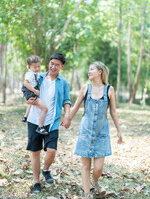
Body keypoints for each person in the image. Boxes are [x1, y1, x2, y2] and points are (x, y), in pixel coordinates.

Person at [70, 61, 123, 199]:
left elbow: (113, 112)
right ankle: (87, 194)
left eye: (92, 69)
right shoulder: (85, 88)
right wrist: (67, 119)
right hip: (86, 131)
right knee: (86, 166)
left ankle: (95, 181)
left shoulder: (109, 89)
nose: (89, 72)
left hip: (102, 133)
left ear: (100, 71)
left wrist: (119, 131)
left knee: (98, 168)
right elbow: (75, 107)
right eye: (89, 69)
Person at [26, 52, 71, 194]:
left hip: (52, 121)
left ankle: (45, 169)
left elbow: (66, 100)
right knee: (35, 152)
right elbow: (26, 90)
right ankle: (36, 182)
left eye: (57, 65)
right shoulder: (38, 76)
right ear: (49, 63)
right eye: (52, 63)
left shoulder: (63, 82)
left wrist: (67, 115)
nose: (53, 67)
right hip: (34, 120)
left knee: (51, 150)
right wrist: (27, 100)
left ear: (61, 67)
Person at [21, 55, 48, 135]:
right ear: (29, 67)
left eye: (39, 66)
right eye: (35, 67)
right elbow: (25, 83)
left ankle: (25, 116)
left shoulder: (35, 73)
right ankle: (40, 127)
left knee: (31, 105)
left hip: (31, 92)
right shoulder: (30, 74)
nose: (37, 69)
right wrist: (35, 91)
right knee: (44, 109)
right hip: (31, 92)